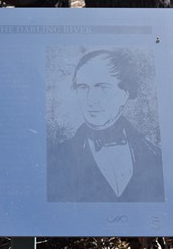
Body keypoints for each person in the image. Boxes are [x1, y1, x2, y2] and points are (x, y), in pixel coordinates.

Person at [47, 49, 165, 202]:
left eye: (102, 87)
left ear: (124, 95)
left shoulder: (155, 157)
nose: (91, 99)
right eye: (83, 88)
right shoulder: (55, 159)